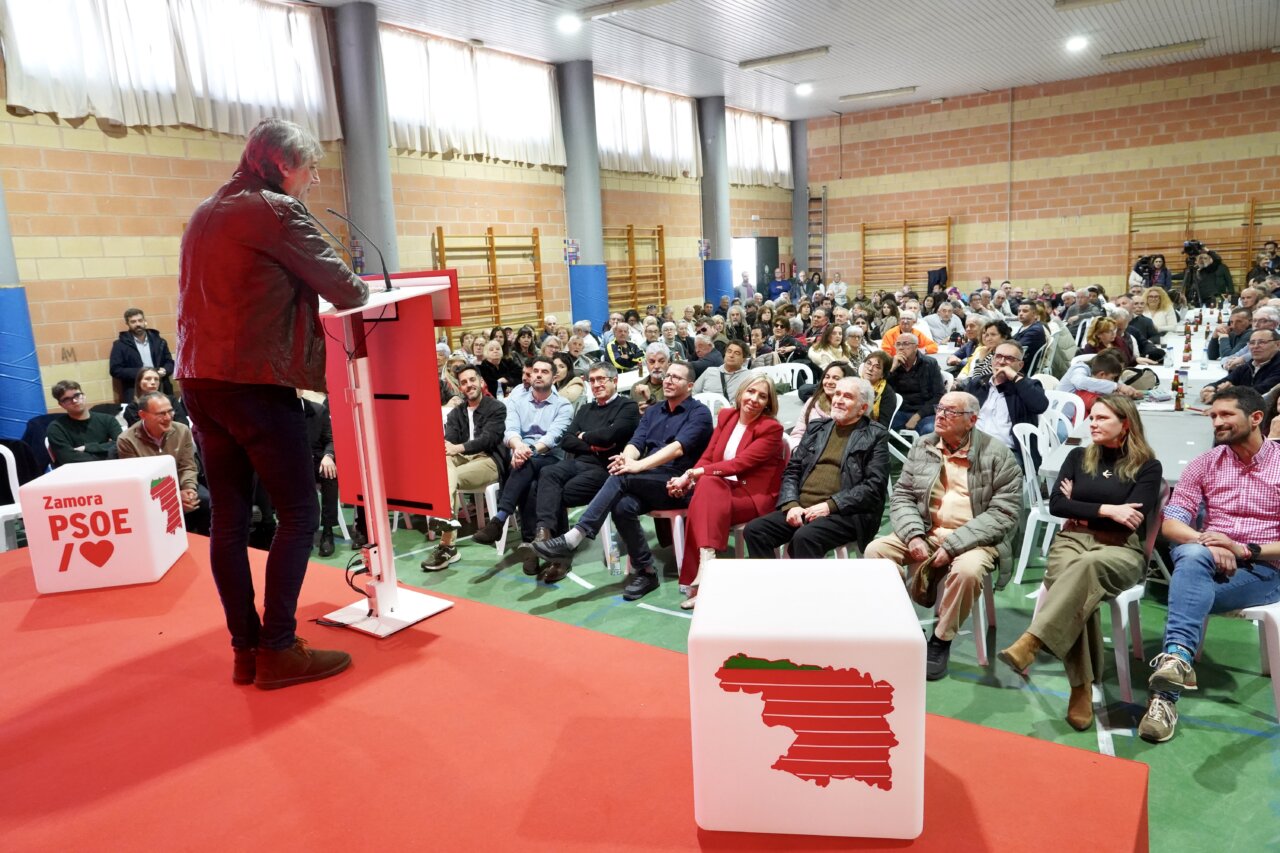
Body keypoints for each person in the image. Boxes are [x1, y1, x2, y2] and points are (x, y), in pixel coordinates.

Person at [176, 117, 369, 689]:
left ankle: (246, 651)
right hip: (254, 383)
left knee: (231, 522)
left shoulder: (206, 210)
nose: (311, 182)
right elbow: (349, 290)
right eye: (309, 171)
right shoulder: (275, 209)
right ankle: (279, 648)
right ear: (285, 164)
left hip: (200, 381)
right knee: (300, 513)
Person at [1000, 395, 1163, 730]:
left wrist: (1084, 507)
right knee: (1079, 590)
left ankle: (1035, 641)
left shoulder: (1147, 466)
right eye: (1091, 418)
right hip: (1071, 540)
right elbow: (1058, 504)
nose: (1092, 424)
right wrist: (1107, 509)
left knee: (1082, 574)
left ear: (1125, 423)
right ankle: (1081, 687)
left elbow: (1132, 519)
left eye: (1102, 418)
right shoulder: (1077, 456)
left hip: (1121, 550)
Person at [1137, 387, 1280, 743]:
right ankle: (1177, 662)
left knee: (1188, 581)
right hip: (1210, 560)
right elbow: (1171, 523)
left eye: (1226, 415)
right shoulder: (1206, 463)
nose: (1217, 422)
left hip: (1264, 570)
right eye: (1214, 415)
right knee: (1191, 555)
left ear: (1256, 418)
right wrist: (1210, 543)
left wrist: (1243, 549)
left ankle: (1164, 695)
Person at [866, 391, 1022, 680]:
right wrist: (913, 535)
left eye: (951, 412)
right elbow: (902, 496)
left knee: (968, 571)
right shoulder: (924, 446)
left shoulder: (998, 455)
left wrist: (953, 545)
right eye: (939, 408)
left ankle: (940, 639)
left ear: (971, 420)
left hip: (975, 538)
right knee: (876, 551)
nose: (940, 415)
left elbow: (1004, 514)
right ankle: (902, 628)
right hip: (926, 529)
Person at [532, 362, 714, 601]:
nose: (668, 380)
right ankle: (646, 571)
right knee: (622, 504)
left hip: (680, 483)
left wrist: (636, 466)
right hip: (648, 479)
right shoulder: (653, 411)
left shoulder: (699, 412)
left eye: (676, 378)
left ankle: (575, 536)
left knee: (623, 478)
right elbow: (636, 443)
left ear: (690, 386)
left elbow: (677, 449)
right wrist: (626, 459)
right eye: (667, 376)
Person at [667, 375, 785, 609]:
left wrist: (691, 475)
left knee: (704, 494)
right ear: (741, 393)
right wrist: (689, 479)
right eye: (751, 392)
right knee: (706, 490)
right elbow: (709, 456)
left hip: (751, 495)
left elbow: (738, 465)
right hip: (721, 489)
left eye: (762, 396)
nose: (754, 399)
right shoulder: (727, 416)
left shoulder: (771, 428)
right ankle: (708, 562)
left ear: (768, 404)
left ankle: (705, 576)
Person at [742, 377, 888, 559]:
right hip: (803, 509)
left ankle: (806, 587)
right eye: (837, 394)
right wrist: (791, 504)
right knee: (755, 531)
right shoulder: (817, 428)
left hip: (845, 513)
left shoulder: (875, 435)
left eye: (848, 397)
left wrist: (830, 505)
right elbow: (792, 469)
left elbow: (874, 487)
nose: (839, 400)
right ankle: (775, 583)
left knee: (805, 537)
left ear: (863, 408)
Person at [527, 362, 641, 583]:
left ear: (614, 381)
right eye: (592, 380)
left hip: (607, 470)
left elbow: (611, 436)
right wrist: (593, 442)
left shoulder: (627, 407)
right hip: (579, 464)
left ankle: (559, 557)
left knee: (551, 492)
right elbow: (568, 440)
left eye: (601, 379)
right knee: (548, 474)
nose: (596, 384)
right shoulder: (585, 409)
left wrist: (585, 436)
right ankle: (544, 533)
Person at [473, 356, 572, 550]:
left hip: (550, 458)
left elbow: (553, 437)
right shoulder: (517, 401)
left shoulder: (563, 405)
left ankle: (501, 520)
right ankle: (533, 545)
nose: (538, 375)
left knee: (527, 465)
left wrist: (529, 450)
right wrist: (519, 447)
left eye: (544, 372)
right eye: (535, 371)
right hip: (522, 455)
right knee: (531, 482)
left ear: (554, 378)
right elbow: (510, 430)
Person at [420, 364, 508, 570]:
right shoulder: (455, 414)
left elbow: (489, 439)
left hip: (488, 460)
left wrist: (458, 447)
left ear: (481, 382)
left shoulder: (496, 408)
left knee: (447, 477)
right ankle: (447, 521)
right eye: (464, 383)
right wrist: (452, 448)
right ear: (460, 388)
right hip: (461, 458)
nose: (469, 385)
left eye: (472, 380)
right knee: (440, 464)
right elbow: (447, 443)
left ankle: (446, 544)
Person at [117, 391, 209, 535]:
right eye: (161, 414)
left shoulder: (182, 430)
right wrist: (174, 497)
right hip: (150, 491)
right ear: (143, 415)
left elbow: (188, 466)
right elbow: (137, 480)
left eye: (170, 411)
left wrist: (188, 488)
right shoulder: (126, 440)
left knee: (205, 501)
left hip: (180, 482)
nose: (167, 418)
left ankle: (205, 546)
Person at [959, 341, 1048, 455]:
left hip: (1007, 451)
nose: (1001, 362)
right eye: (998, 357)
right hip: (972, 446)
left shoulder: (1028, 386)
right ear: (992, 360)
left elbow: (1040, 406)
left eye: (1009, 358)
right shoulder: (978, 383)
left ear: (1020, 365)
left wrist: (1015, 377)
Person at [46, 379, 121, 466]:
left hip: (110, 469)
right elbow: (69, 459)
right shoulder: (56, 428)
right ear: (61, 404)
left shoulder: (108, 419)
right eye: (67, 399)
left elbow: (121, 444)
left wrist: (87, 448)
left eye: (77, 395)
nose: (74, 401)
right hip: (76, 474)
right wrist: (107, 455)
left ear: (84, 396)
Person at [109, 307, 175, 400]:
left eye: (140, 320)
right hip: (135, 390)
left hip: (161, 387)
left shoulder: (159, 341)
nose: (138, 324)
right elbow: (115, 370)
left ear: (145, 321)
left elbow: (170, 362)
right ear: (127, 324)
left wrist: (165, 370)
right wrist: (143, 374)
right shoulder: (120, 345)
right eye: (133, 322)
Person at [1199, 329, 1280, 402]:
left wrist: (1222, 394)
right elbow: (1226, 381)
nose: (1255, 346)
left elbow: (1262, 391)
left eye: (1262, 342)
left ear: (1278, 345)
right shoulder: (1249, 365)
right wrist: (1211, 388)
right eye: (1252, 343)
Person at [888, 334, 945, 434]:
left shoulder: (930, 364)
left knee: (929, 429)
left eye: (906, 344)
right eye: (898, 344)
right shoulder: (892, 364)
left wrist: (918, 416)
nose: (901, 347)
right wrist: (892, 369)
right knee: (879, 426)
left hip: (925, 411)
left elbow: (939, 395)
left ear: (916, 347)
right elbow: (883, 391)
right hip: (900, 410)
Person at [792, 362, 858, 443]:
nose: (829, 382)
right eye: (827, 377)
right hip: (807, 451)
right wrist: (796, 449)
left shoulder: (853, 408)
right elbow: (798, 433)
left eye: (836, 378)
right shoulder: (813, 402)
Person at [123, 366, 189, 428]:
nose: (153, 382)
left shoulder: (171, 401)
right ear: (139, 382)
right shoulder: (132, 408)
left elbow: (183, 425)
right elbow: (140, 431)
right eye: (148, 379)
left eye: (156, 379)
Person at [860, 351, 899, 428]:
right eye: (868, 363)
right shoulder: (852, 383)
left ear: (883, 374)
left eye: (877, 367)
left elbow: (882, 426)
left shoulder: (887, 393)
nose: (870, 368)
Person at [630, 343, 670, 414]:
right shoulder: (636, 388)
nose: (656, 366)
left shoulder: (675, 386)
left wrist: (651, 403)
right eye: (652, 362)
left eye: (661, 361)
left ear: (668, 362)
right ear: (646, 363)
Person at [1011, 301, 1047, 368]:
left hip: (1022, 367)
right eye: (1019, 311)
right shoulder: (1027, 326)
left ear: (1034, 314)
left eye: (1025, 311)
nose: (1021, 313)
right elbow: (1013, 339)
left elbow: (1016, 348)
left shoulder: (1035, 330)